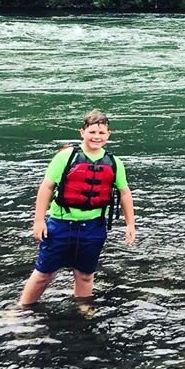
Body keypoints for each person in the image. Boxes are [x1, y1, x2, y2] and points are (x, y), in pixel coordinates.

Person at [19, 110, 136, 306]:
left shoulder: (114, 163)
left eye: (101, 133)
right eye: (92, 132)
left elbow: (125, 193)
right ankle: (22, 308)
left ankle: (82, 309)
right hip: (60, 224)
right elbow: (46, 187)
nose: (96, 137)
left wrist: (130, 224)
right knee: (44, 274)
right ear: (82, 132)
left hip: (93, 226)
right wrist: (39, 221)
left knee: (85, 275)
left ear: (108, 134)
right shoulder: (66, 157)